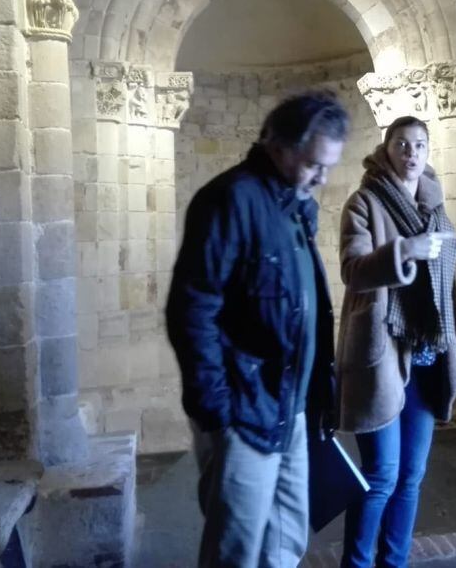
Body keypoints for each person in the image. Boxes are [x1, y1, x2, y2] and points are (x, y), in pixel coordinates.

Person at [166, 90, 350, 568]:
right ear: (279, 145)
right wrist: (218, 411)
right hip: (245, 409)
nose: (323, 178)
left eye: (329, 166)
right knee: (237, 551)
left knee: (286, 542)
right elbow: (192, 310)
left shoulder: (296, 206)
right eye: (314, 164)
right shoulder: (230, 199)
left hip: (290, 407)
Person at [336, 115, 456, 568]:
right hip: (383, 353)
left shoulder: (436, 210)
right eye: (402, 144)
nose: (411, 153)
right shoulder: (365, 202)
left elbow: (446, 283)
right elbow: (353, 269)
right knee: (381, 476)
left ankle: (394, 562)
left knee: (411, 476)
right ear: (387, 150)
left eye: (420, 145)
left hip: (426, 354)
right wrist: (404, 252)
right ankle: (358, 563)